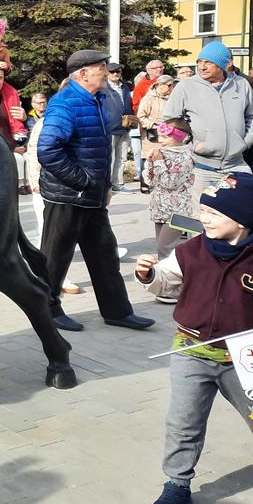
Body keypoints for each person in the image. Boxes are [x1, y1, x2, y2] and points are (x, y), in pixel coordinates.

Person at [133, 173, 253, 504]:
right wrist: (148, 275)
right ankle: (177, 482)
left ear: (243, 221)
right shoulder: (189, 251)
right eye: (202, 209)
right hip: (191, 349)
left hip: (245, 355)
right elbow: (165, 280)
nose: (203, 217)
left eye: (214, 213)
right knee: (183, 421)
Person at [37, 49, 155, 333]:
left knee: (104, 253)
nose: (106, 71)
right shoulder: (65, 103)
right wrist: (83, 181)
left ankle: (117, 311)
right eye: (100, 66)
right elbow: (48, 150)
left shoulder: (99, 98)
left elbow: (99, 149)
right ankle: (47, 311)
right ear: (83, 73)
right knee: (55, 258)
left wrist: (102, 186)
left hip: (91, 196)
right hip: (67, 196)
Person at [163, 41, 253, 198]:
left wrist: (245, 142)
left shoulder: (241, 84)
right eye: (199, 62)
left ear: (223, 65)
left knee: (239, 217)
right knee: (201, 219)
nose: (202, 67)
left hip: (236, 165)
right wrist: (192, 145)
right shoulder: (186, 86)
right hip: (201, 168)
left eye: (208, 62)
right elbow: (169, 122)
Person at [25, 96, 81, 296]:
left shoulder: (82, 115)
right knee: (51, 232)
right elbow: (35, 152)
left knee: (59, 233)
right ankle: (50, 278)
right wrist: (34, 180)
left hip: (73, 188)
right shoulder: (49, 121)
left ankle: (45, 275)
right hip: (48, 186)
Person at [142, 118, 194, 273]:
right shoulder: (161, 153)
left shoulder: (184, 157)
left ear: (178, 137)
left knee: (168, 247)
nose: (160, 140)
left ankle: (173, 283)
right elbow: (149, 180)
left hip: (178, 211)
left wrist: (158, 162)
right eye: (159, 136)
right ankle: (167, 281)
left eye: (165, 137)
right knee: (163, 247)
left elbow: (170, 183)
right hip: (160, 208)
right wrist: (150, 163)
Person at [104, 63, 136, 192]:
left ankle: (118, 183)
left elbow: (129, 104)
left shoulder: (125, 87)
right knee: (109, 158)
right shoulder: (103, 88)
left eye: (118, 71)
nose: (116, 74)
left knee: (122, 157)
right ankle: (108, 185)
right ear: (107, 73)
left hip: (124, 126)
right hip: (110, 128)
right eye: (113, 72)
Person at [137, 74, 175, 171]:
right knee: (150, 163)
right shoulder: (148, 99)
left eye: (172, 85)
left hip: (167, 137)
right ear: (160, 85)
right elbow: (141, 117)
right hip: (152, 137)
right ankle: (146, 184)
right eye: (169, 85)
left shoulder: (171, 99)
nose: (171, 88)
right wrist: (154, 125)